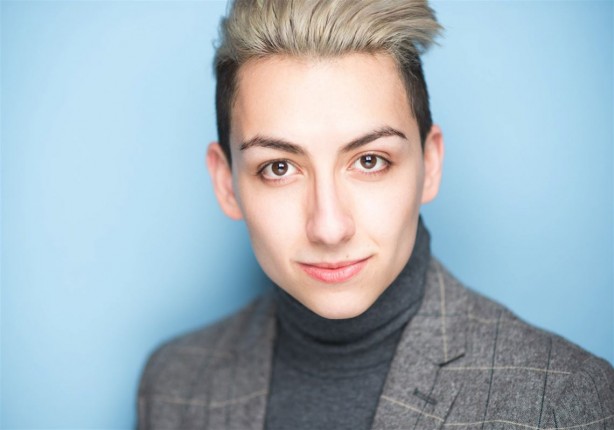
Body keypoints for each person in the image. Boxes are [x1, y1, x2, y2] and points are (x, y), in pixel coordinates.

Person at [137, 0, 614, 429]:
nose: (329, 227)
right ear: (226, 183)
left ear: (430, 165)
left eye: (370, 160)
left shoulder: (564, 402)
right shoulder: (173, 385)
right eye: (279, 167)